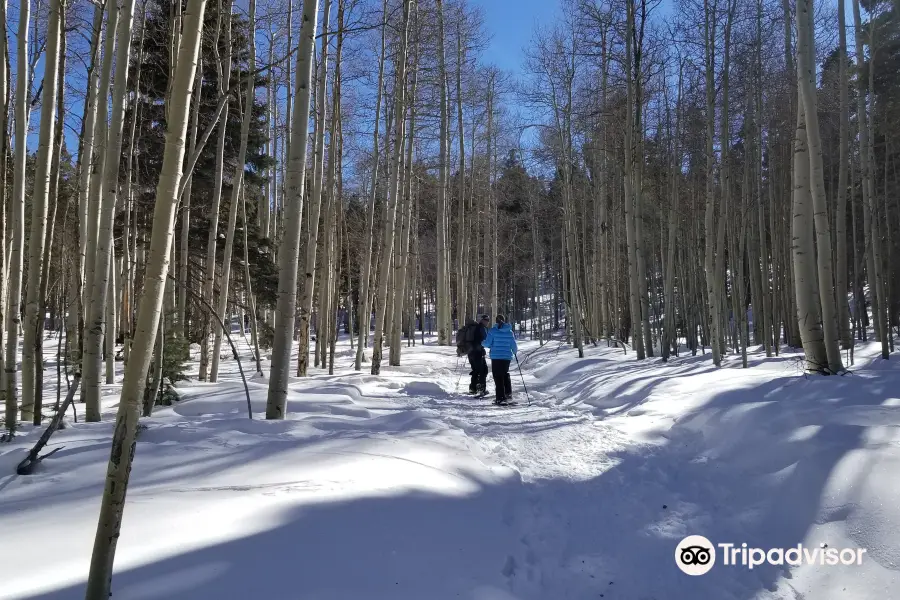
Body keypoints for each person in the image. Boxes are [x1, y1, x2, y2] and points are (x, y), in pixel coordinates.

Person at [483, 314, 518, 405]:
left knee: (498, 376)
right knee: (505, 374)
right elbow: (514, 346)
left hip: (496, 357)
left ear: (496, 321)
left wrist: (482, 343)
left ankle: (500, 398)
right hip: (506, 357)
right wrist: (514, 352)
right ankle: (508, 394)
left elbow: (487, 343)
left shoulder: (492, 331)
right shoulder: (509, 332)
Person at [457, 315, 490, 395]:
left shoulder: (474, 328)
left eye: (488, 320)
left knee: (475, 370)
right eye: (486, 320)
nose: (487, 322)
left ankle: (473, 388)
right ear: (482, 320)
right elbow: (486, 339)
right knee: (483, 370)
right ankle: (481, 389)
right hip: (477, 352)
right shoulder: (481, 328)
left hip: (470, 351)